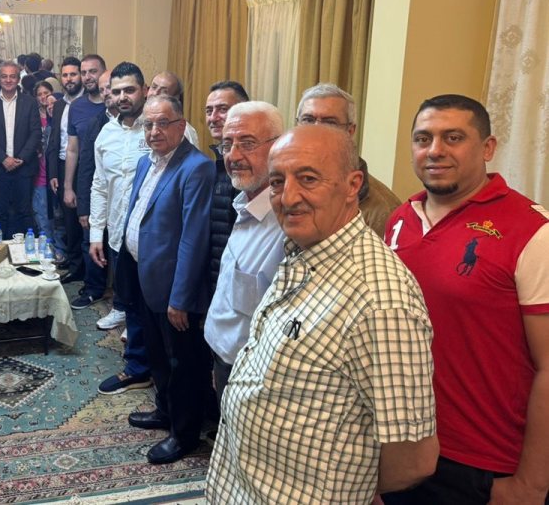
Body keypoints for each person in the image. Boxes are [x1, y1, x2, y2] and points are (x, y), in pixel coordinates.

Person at [206, 125, 438, 505]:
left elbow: (414, 460)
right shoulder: (306, 249)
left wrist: (349, 491)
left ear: (352, 185)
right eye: (278, 182)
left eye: (308, 179)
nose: (288, 197)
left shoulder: (380, 299)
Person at [382, 95, 549, 505]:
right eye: (423, 139)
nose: (435, 150)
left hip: (482, 465)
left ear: (487, 148)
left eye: (453, 138)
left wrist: (530, 485)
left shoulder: (531, 230)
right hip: (403, 447)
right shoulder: (401, 219)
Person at [117, 94, 215, 464]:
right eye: (149, 124)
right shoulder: (147, 161)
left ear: (181, 126)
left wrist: (181, 298)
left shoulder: (196, 167)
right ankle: (164, 410)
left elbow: (193, 238)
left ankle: (184, 434)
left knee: (182, 365)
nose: (154, 131)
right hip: (146, 278)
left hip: (174, 289)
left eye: (163, 123)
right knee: (157, 356)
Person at [203, 101, 284, 406]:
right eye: (227, 145)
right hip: (225, 361)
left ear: (278, 147)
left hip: (255, 378)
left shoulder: (287, 223)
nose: (233, 156)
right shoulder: (244, 204)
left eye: (247, 144)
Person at [89, 62, 152, 394]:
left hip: (155, 240)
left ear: (144, 91)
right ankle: (139, 368)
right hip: (119, 236)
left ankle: (162, 370)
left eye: (130, 89)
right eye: (117, 91)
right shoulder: (106, 134)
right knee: (131, 305)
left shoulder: (161, 128)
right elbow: (100, 186)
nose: (123, 96)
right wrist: (95, 234)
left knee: (157, 308)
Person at [295, 83, 401, 237]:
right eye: (308, 120)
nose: (316, 130)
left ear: (350, 131)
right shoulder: (281, 185)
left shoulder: (382, 210)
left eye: (329, 122)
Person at [61, 54, 108, 309]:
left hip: (116, 183)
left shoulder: (114, 105)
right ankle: (93, 288)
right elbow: (72, 150)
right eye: (84, 72)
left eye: (93, 71)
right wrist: (68, 187)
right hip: (87, 182)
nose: (88, 76)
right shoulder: (76, 107)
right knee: (89, 234)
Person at [78, 69, 123, 330]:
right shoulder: (101, 126)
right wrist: (86, 208)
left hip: (139, 215)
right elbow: (92, 174)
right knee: (110, 258)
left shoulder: (146, 128)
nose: (108, 93)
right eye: (105, 89)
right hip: (108, 206)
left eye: (112, 89)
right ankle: (116, 305)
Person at [0, 60, 41, 236]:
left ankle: (26, 250)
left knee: (25, 212)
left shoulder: (30, 102)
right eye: (4, 76)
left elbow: (35, 133)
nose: (8, 80)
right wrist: (4, 159)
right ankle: (0, 250)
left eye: (12, 76)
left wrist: (21, 158)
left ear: (18, 79)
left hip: (24, 167)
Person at [204, 80, 250, 288]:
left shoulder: (252, 167)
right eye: (209, 111)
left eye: (223, 109)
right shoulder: (215, 163)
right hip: (216, 279)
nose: (213, 117)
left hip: (239, 282)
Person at [47, 57, 85, 282]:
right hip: (62, 167)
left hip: (83, 168)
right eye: (65, 75)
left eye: (73, 74)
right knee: (68, 219)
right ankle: (74, 264)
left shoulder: (89, 103)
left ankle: (84, 267)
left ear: (81, 76)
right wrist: (53, 172)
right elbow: (54, 140)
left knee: (83, 218)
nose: (69, 79)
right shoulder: (59, 104)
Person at [147, 71, 199, 145]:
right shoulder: (137, 123)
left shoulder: (183, 131)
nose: (155, 93)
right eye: (154, 87)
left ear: (175, 99)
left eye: (164, 92)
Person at [33, 80, 56, 237]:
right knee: (41, 211)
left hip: (55, 170)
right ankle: (46, 243)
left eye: (46, 93)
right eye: (39, 94)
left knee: (57, 214)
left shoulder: (58, 112)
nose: (43, 97)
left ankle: (59, 246)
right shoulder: (32, 115)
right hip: (39, 170)